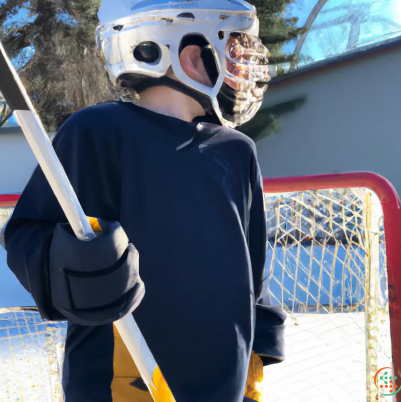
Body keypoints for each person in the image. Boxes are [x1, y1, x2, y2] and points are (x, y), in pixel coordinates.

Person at [4, 1, 286, 401]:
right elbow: (27, 235)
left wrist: (256, 355)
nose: (244, 64)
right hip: (123, 385)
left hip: (224, 385)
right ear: (191, 54)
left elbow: (252, 265)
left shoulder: (237, 151)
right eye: (234, 48)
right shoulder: (98, 132)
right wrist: (69, 266)